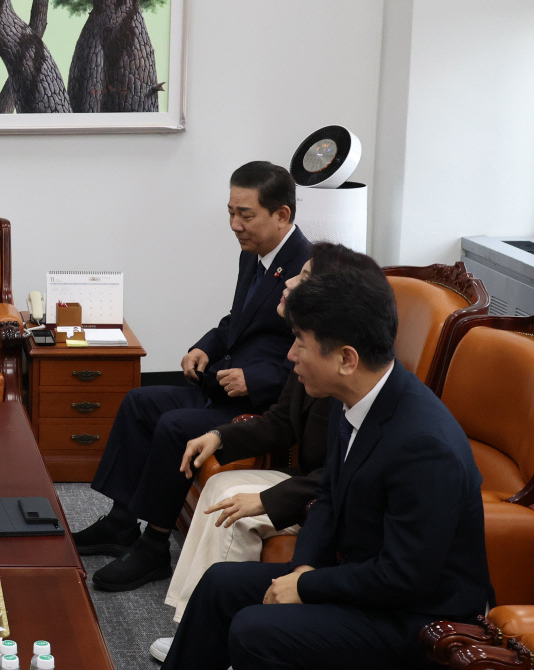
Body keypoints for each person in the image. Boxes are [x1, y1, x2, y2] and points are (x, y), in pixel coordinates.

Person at [161, 269, 492, 670]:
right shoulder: (350, 399)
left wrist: (306, 586)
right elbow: (328, 496)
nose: (290, 355)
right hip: (366, 582)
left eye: (301, 343)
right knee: (219, 584)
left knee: (256, 629)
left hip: (420, 616)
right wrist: (304, 567)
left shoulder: (424, 445)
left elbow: (406, 577)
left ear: (346, 359)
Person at [75, 161, 313, 592]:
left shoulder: (306, 271)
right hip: (223, 388)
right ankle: (121, 523)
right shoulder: (254, 255)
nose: (234, 225)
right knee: (139, 401)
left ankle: (154, 548)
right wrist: (204, 346)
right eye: (230, 212)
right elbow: (237, 322)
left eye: (246, 214)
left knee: (174, 426)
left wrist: (255, 380)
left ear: (282, 215)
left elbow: (312, 353)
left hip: (261, 403)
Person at [148, 243, 384, 663]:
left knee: (232, 503)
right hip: (313, 483)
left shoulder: (357, 384)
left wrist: (269, 504)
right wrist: (220, 437)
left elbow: (340, 479)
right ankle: (194, 626)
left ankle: (207, 632)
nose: (291, 280)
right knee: (220, 485)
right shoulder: (312, 352)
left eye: (305, 276)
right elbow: (281, 423)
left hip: (316, 494)